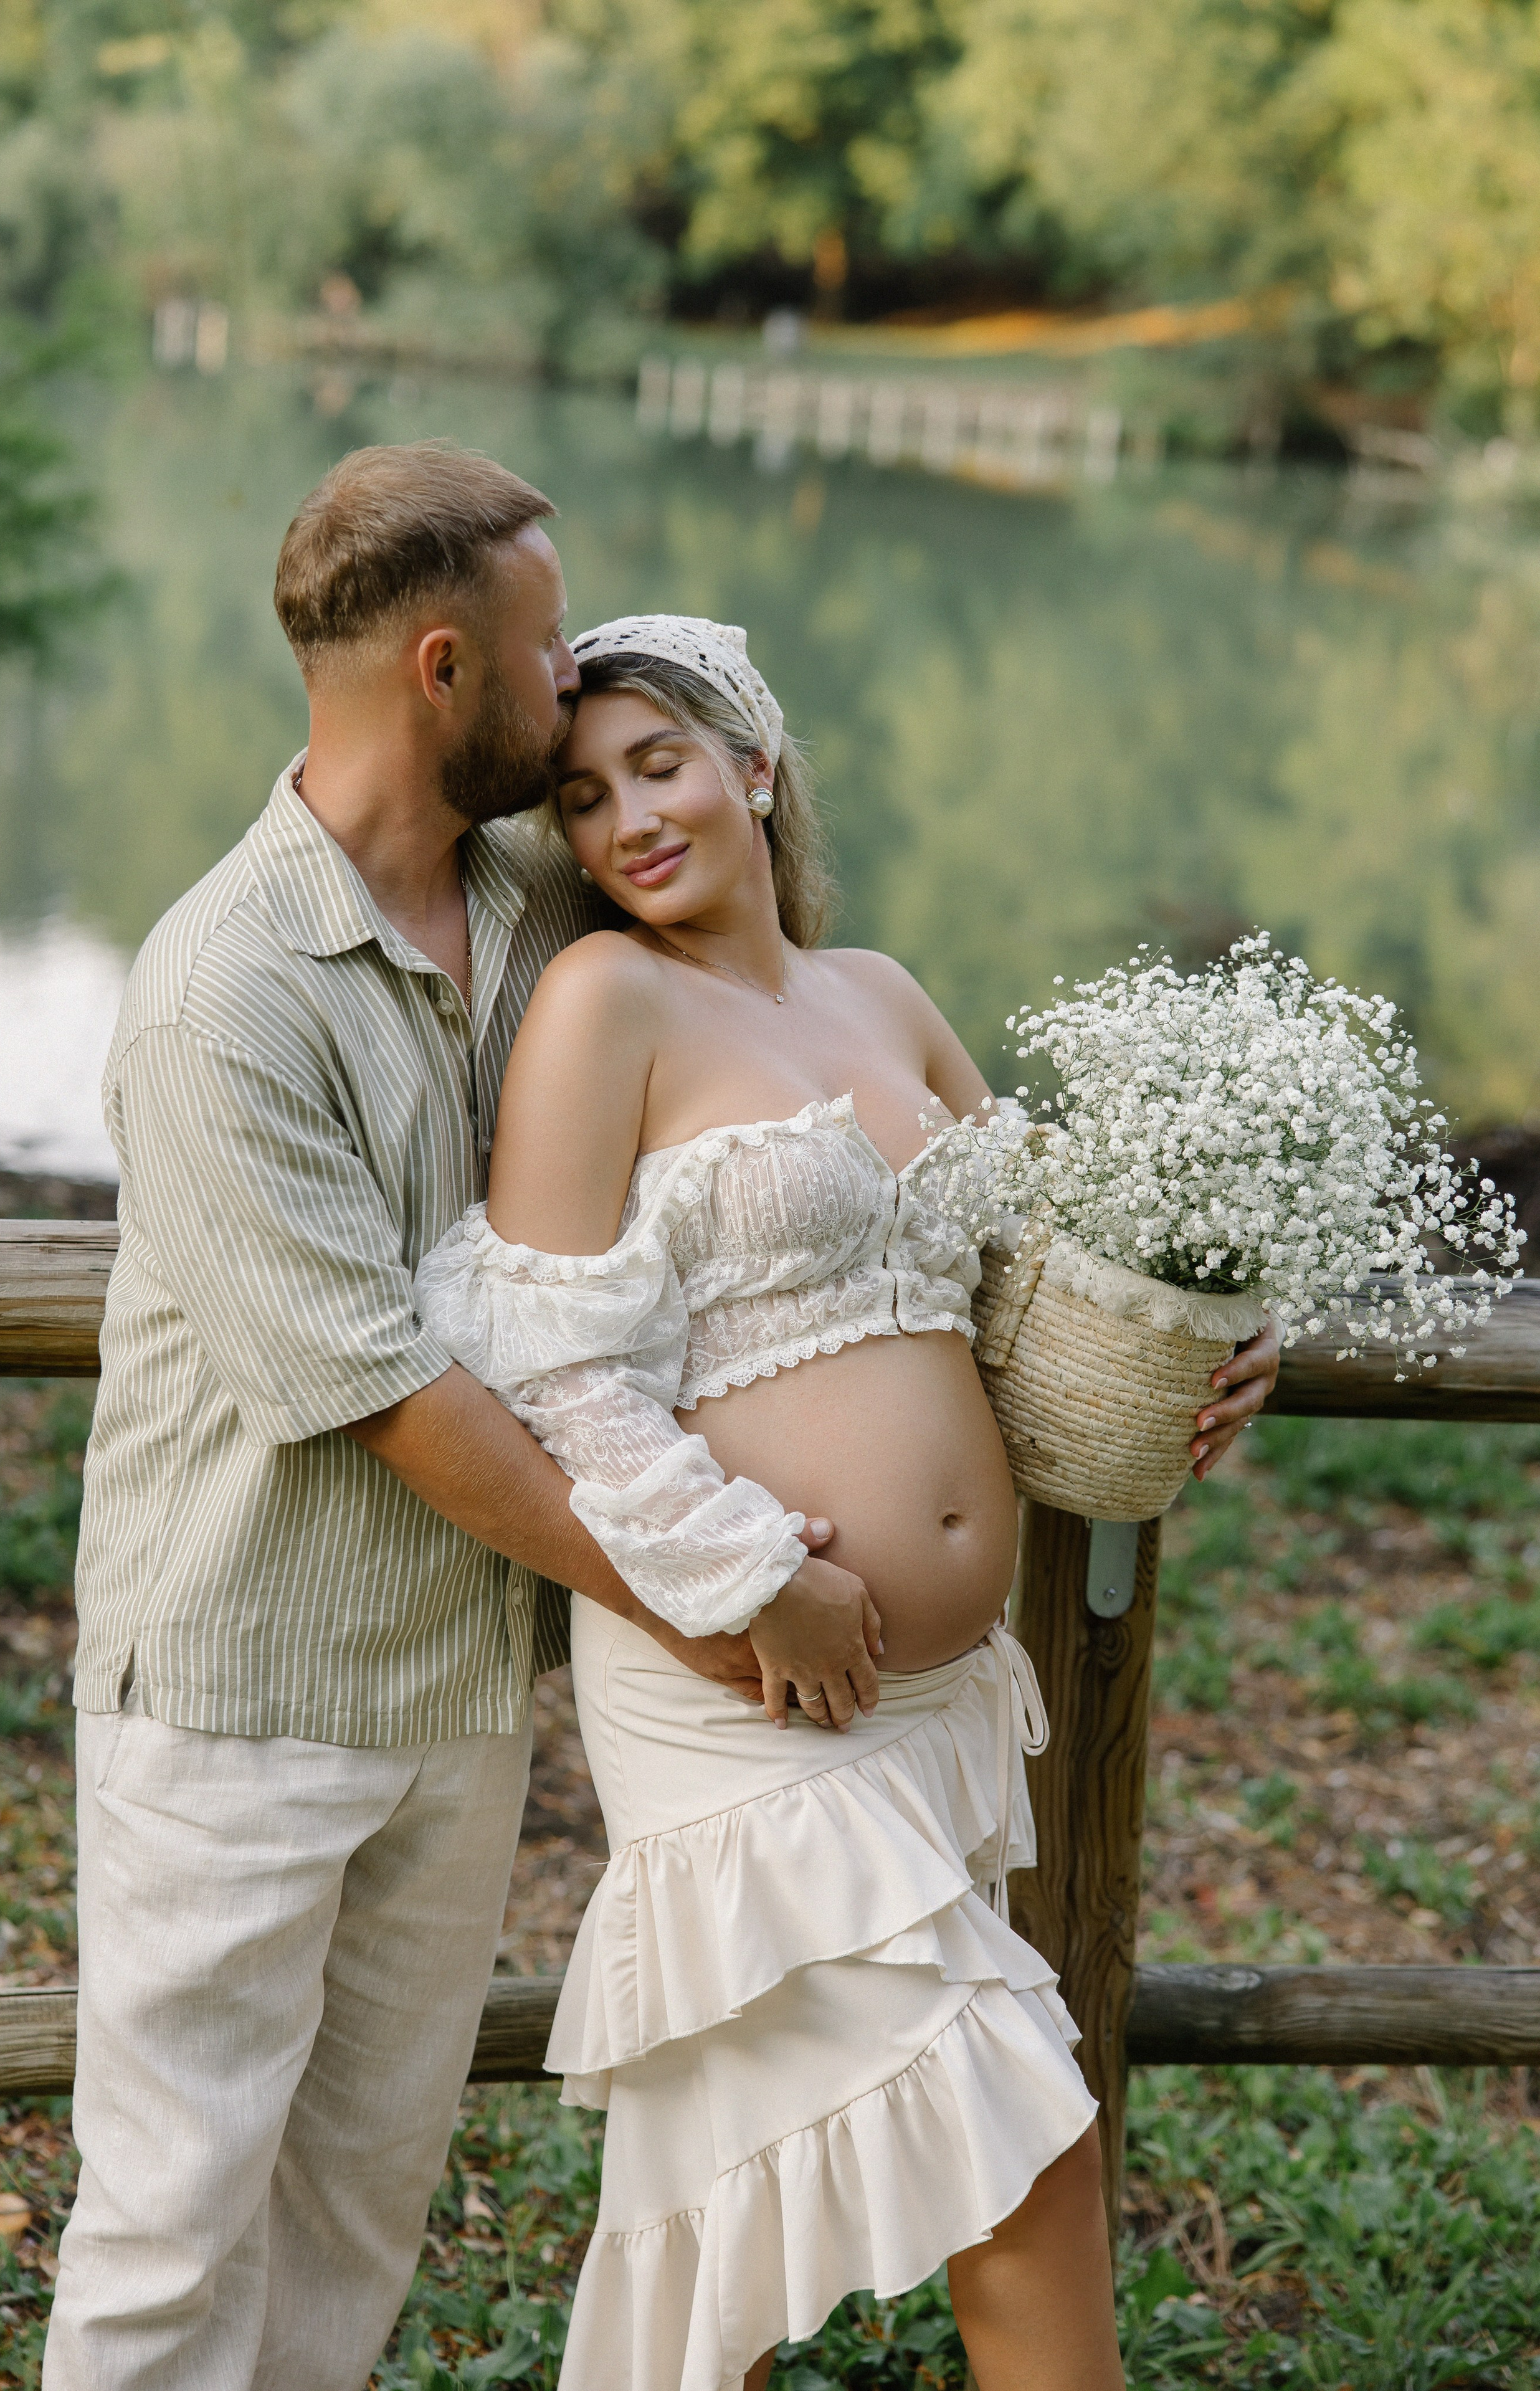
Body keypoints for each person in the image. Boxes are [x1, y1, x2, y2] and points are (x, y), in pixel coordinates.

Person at [46, 449, 867, 2391]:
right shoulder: (218, 996)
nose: (572, 673)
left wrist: (1130, 1312)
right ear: (442, 669)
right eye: (543, 641)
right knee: (172, 2235)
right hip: (243, 1692)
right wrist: (715, 1596)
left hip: (457, 1690)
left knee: (354, 2222)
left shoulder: (539, 892)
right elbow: (399, 1401)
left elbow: (787, 1071)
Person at [416, 613, 1282, 2391]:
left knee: (734, 2185)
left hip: (934, 1707)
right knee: (1027, 2148)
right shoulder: (606, 1004)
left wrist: (1223, 1331)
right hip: (751, 1678)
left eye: (658, 765)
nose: (625, 822)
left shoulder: (879, 991)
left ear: (755, 762)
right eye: (582, 799)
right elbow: (554, 1363)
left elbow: (1057, 1269)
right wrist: (747, 1582)